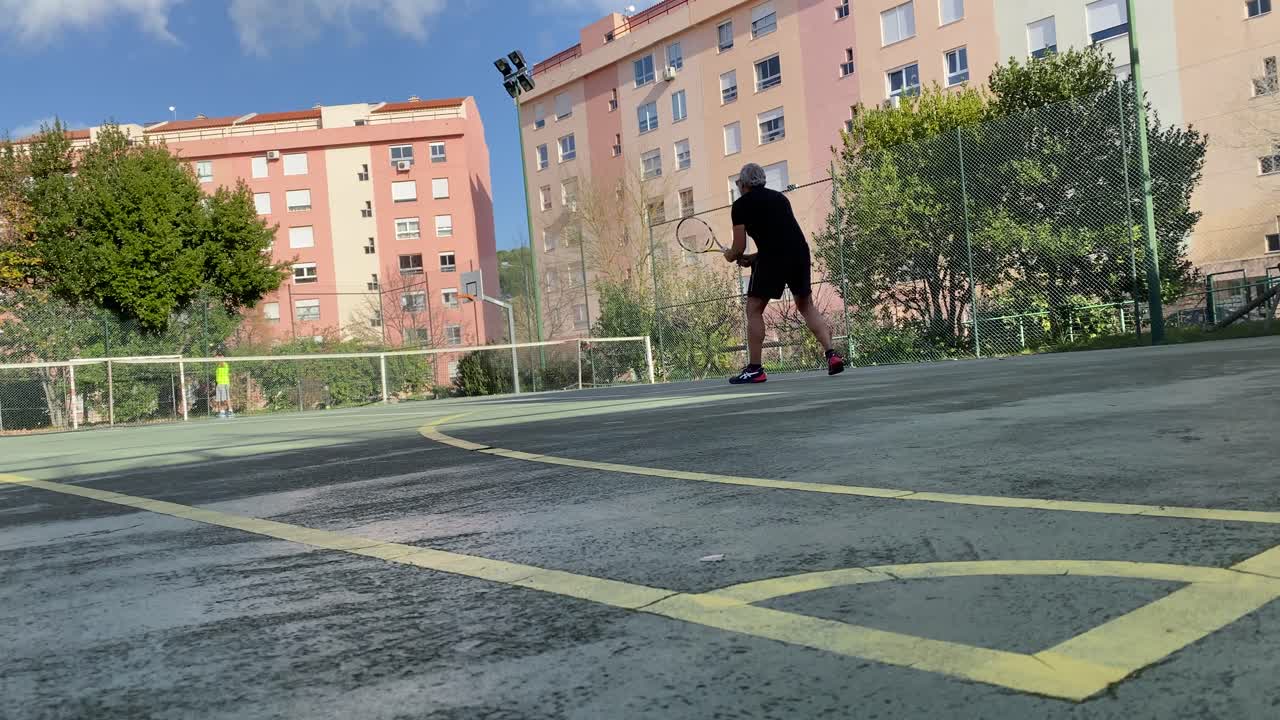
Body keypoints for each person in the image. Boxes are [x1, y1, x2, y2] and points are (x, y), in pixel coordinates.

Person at [723, 163, 845, 385]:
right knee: (805, 304)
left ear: (744, 184)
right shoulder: (780, 199)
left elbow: (738, 247)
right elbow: (783, 238)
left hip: (773, 257)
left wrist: (731, 255)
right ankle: (832, 355)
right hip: (798, 252)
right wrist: (755, 257)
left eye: (739, 183)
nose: (738, 186)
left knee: (754, 309)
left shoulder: (740, 205)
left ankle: (755, 369)